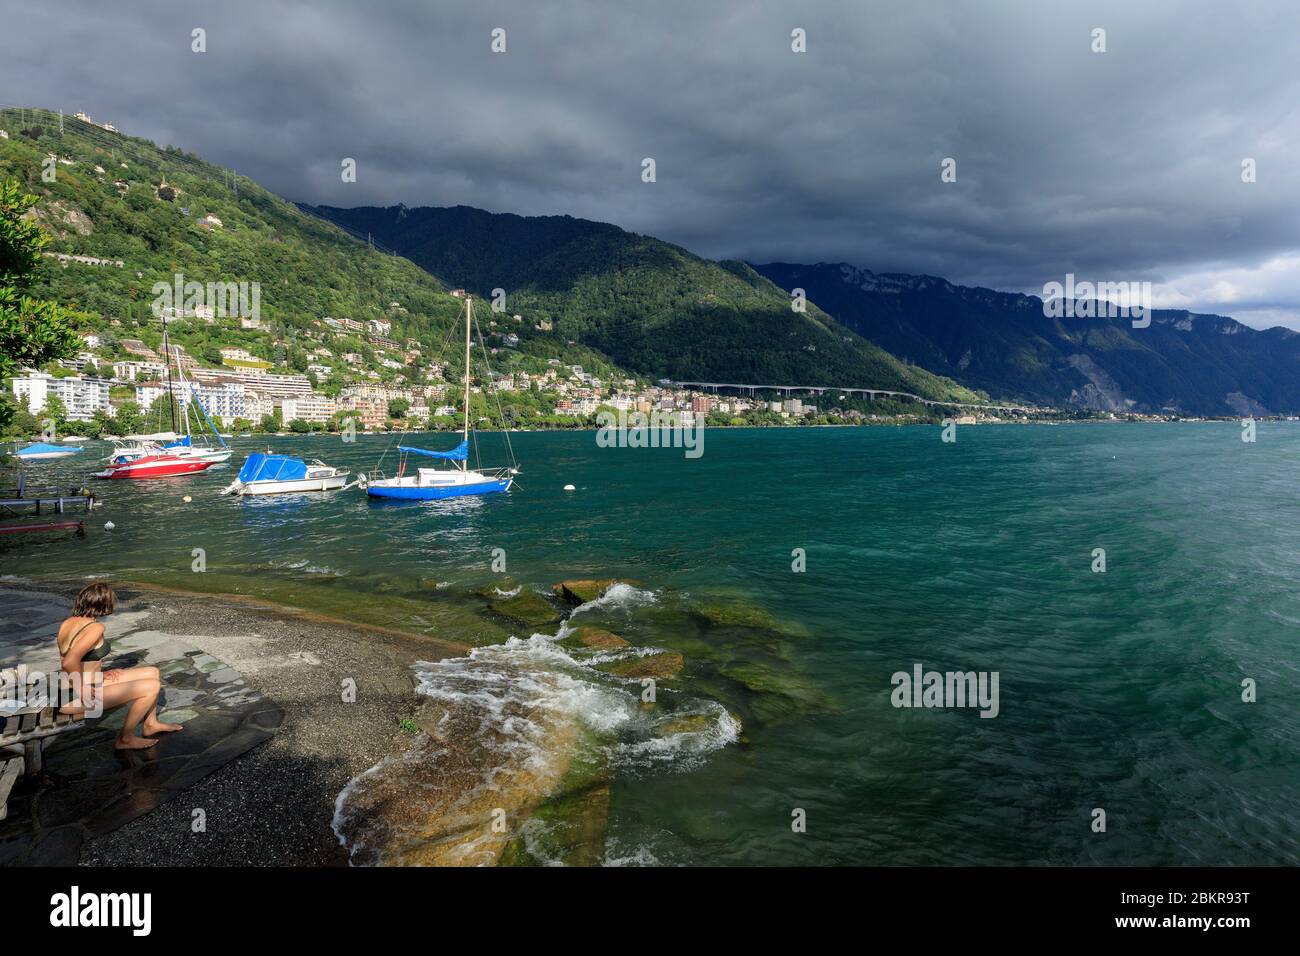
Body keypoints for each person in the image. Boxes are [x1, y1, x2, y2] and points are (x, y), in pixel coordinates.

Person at [57, 582, 182, 750]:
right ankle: (125, 739)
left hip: (75, 688)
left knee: (152, 672)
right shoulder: (95, 628)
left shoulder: (68, 622)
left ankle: (151, 724)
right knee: (152, 686)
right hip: (75, 697)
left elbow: (76, 661)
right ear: (103, 603)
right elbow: (69, 662)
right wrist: (83, 688)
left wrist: (99, 675)